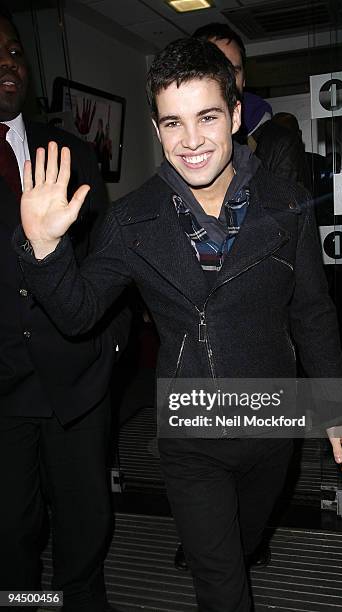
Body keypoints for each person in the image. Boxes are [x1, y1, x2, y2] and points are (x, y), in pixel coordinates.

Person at [16, 38, 342, 612]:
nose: (191, 140)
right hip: (191, 433)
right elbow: (78, 313)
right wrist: (45, 249)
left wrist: (337, 409)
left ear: (235, 113)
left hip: (272, 422)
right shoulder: (132, 221)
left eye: (207, 117)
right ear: (156, 129)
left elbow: (312, 313)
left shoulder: (287, 202)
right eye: (173, 123)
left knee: (245, 544)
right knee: (222, 587)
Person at [0, 7, 125, 612]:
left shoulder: (73, 152)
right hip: (2, 390)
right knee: (10, 536)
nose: (8, 65)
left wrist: (108, 350)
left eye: (16, 53)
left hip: (75, 379)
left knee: (83, 525)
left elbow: (107, 262)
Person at [193, 22, 308, 186]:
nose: (226, 81)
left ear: (244, 80)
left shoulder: (278, 143)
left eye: (233, 71)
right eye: (213, 70)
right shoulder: (182, 141)